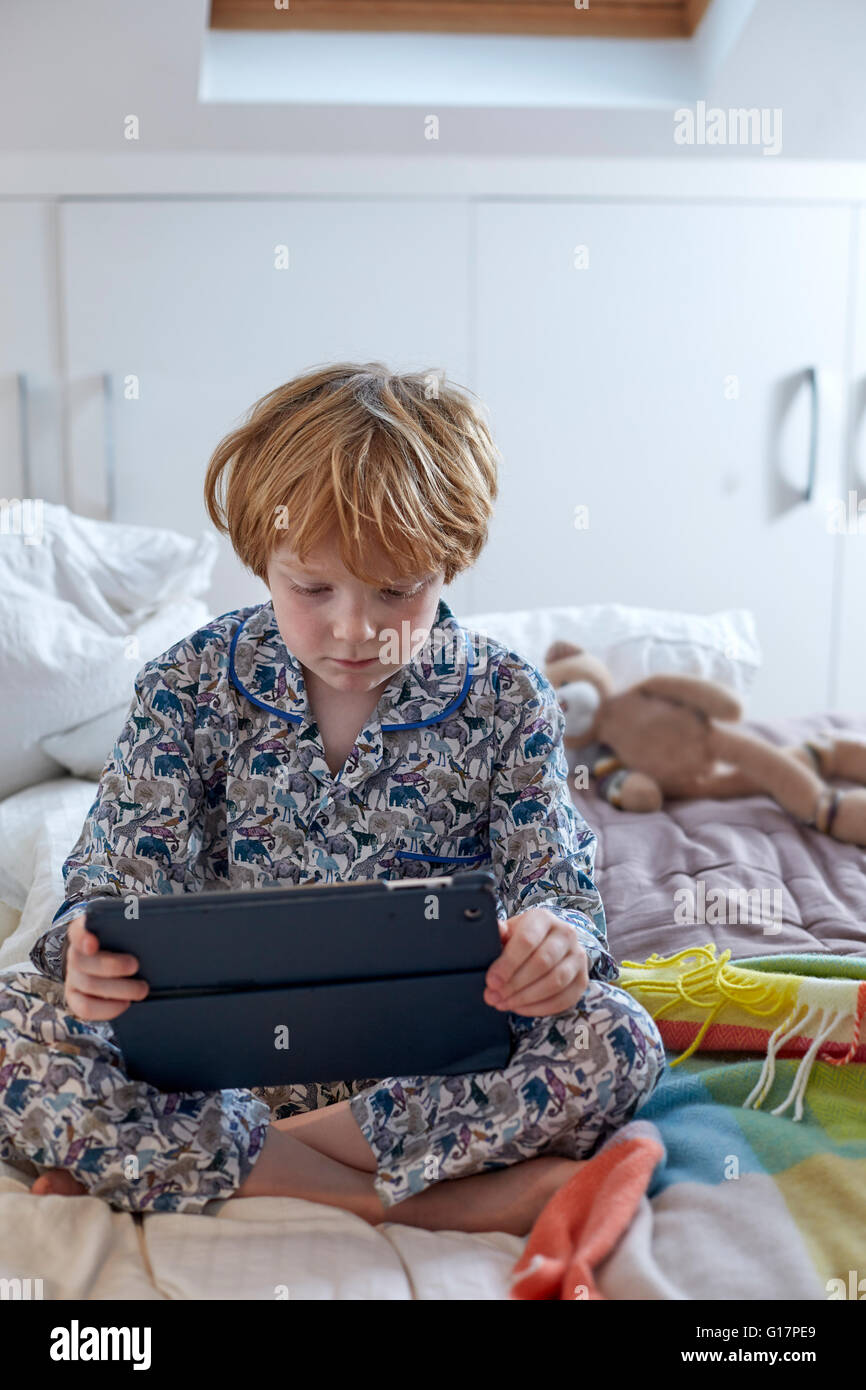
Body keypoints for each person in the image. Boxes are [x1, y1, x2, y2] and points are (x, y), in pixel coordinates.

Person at [0, 362, 665, 1236]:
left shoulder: (507, 697)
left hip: (428, 1060)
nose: (356, 628)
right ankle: (404, 1198)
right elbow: (109, 885)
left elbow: (561, 891)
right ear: (262, 561)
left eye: (397, 590)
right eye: (312, 589)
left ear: (450, 563)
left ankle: (212, 1162)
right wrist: (84, 954)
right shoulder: (189, 685)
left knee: (617, 1041)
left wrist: (558, 944)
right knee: (15, 1026)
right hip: (213, 1054)